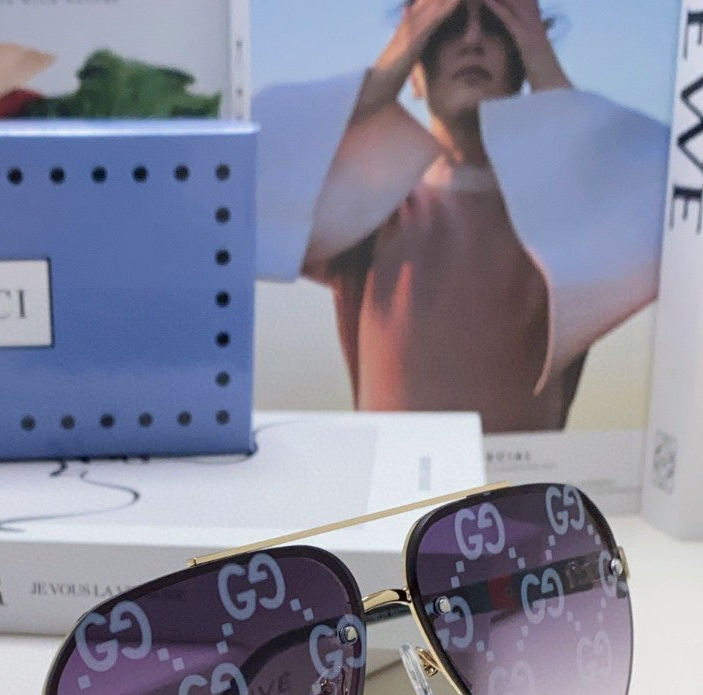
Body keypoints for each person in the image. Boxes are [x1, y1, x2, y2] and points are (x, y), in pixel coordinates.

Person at [254, 0, 669, 434]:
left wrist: (544, 67)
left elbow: (679, 201)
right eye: (448, 24)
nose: (472, 40)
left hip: (523, 478)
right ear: (415, 69)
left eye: (495, 24)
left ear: (521, 60)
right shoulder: (371, 210)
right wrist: (382, 76)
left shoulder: (562, 217)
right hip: (399, 479)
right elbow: (236, 186)